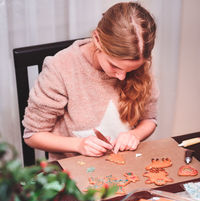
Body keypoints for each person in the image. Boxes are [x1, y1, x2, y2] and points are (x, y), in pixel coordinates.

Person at [23, 1, 158, 161]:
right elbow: (33, 135)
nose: (122, 77)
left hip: (125, 165)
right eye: (114, 66)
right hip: (73, 170)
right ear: (97, 39)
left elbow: (149, 119)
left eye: (130, 70)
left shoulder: (138, 65)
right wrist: (78, 145)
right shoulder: (61, 68)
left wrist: (134, 134)